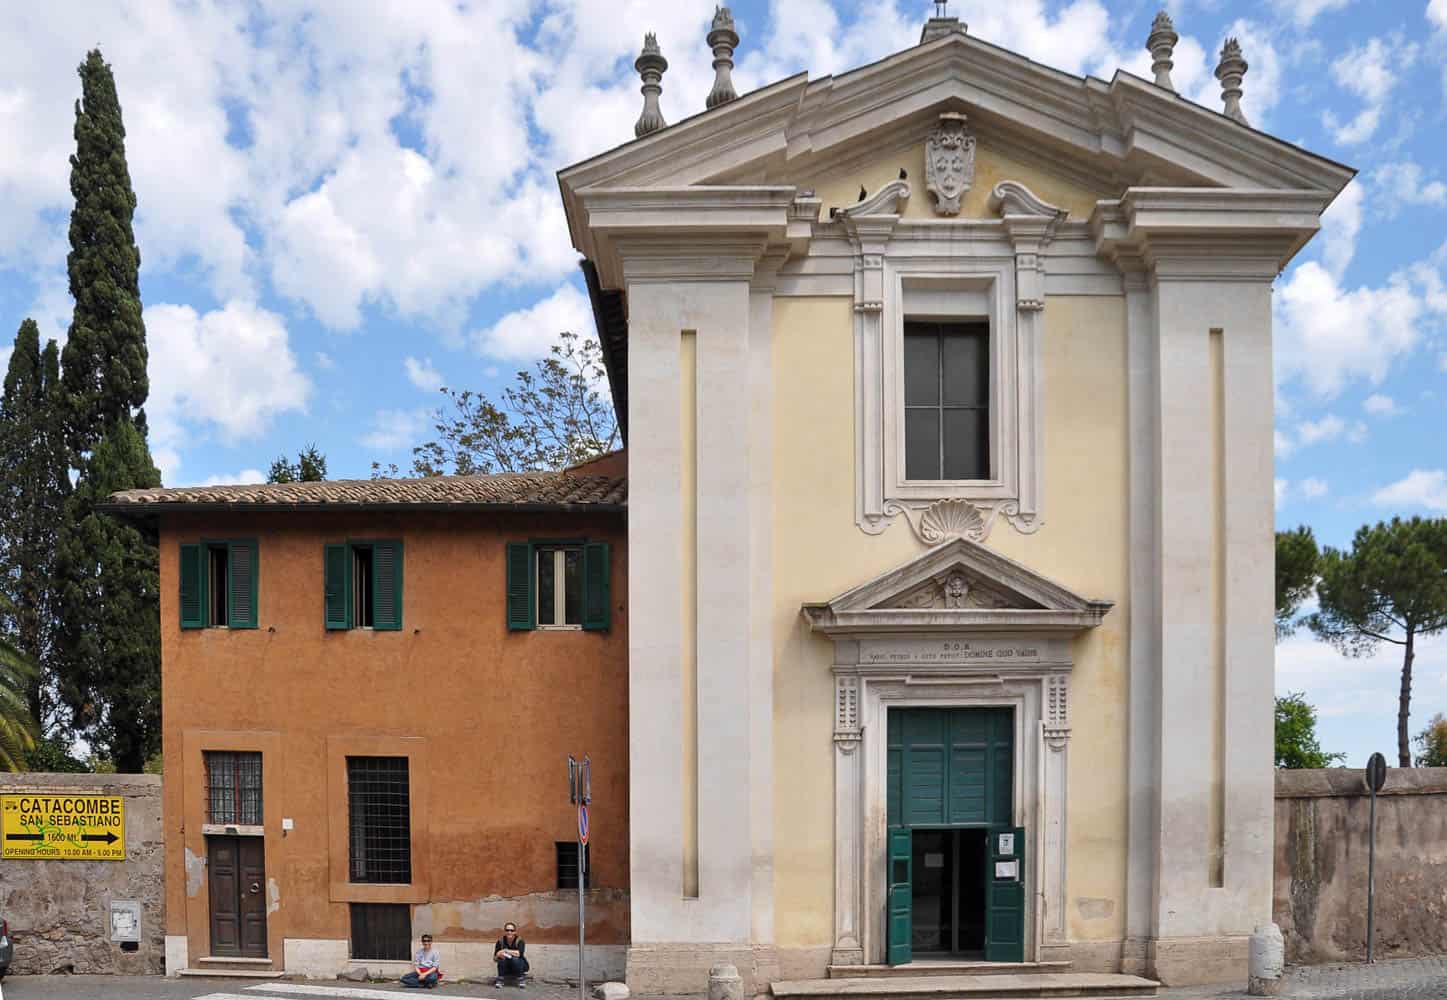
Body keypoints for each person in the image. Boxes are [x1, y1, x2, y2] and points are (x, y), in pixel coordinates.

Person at [494, 922, 529, 989]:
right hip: (506, 967)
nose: (509, 932)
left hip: (520, 966)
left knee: (515, 959)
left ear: (515, 932)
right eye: (507, 930)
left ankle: (521, 979)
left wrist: (506, 951)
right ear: (505, 931)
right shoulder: (500, 942)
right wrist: (498, 954)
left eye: (512, 930)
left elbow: (519, 953)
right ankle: (500, 980)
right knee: (502, 958)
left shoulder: (520, 941)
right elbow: (495, 959)